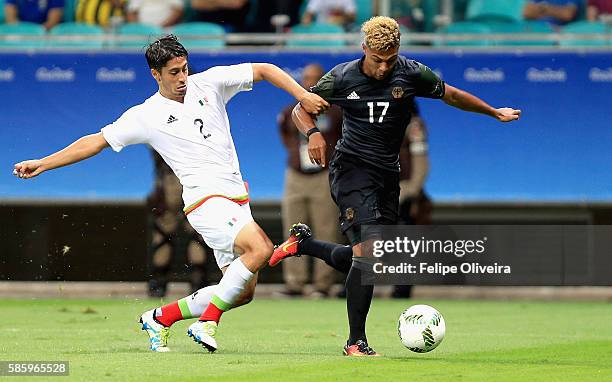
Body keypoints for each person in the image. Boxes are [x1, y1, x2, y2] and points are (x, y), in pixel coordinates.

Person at [13, 34, 329, 353]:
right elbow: (94, 141)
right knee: (259, 248)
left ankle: (161, 317)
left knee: (242, 292)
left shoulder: (209, 83)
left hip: (236, 199)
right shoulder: (145, 115)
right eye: (174, 72)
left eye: (184, 68)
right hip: (206, 202)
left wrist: (302, 95)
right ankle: (208, 321)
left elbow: (263, 68)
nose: (182, 78)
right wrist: (43, 162)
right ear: (156, 74)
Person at [270, 16, 521, 356]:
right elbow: (303, 108)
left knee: (374, 261)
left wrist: (493, 112)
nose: (384, 67)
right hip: (351, 169)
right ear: (364, 49)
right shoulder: (343, 76)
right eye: (377, 59)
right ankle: (355, 342)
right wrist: (312, 133)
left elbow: (453, 95)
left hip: (388, 174)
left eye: (390, 58)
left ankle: (304, 244)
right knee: (368, 254)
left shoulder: (412, 72)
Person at [277, 63, 343, 298]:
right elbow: (284, 133)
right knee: (293, 229)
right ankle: (295, 283)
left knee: (326, 229)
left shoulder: (334, 111)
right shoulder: (289, 111)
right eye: (306, 78)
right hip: (295, 176)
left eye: (314, 78)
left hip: (323, 175)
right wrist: (295, 153)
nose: (309, 83)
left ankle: (322, 285)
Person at [146, 149, 209, 298]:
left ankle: (158, 286)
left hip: (170, 181)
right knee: (196, 234)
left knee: (164, 235)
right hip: (195, 183)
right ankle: (198, 285)